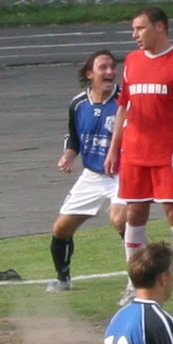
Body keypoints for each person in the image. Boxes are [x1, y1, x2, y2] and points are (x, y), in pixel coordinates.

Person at [107, 7, 173, 304]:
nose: (134, 35)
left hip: (168, 152)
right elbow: (124, 107)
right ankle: (133, 283)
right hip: (135, 152)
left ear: (159, 27)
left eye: (139, 28)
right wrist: (114, 148)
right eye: (133, 29)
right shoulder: (132, 61)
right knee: (134, 214)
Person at [48, 49, 122, 291]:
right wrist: (68, 156)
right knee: (61, 228)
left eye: (112, 67)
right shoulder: (78, 104)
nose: (110, 71)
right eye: (103, 67)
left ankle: (138, 282)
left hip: (122, 175)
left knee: (120, 220)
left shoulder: (125, 102)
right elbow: (74, 137)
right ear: (90, 74)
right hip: (92, 176)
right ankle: (63, 279)